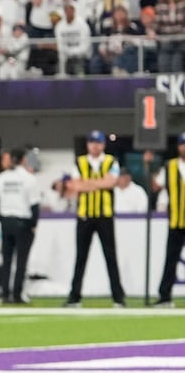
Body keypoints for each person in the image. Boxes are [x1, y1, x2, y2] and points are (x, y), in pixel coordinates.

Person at [63, 129, 126, 307]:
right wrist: (99, 183)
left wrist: (87, 183)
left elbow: (112, 182)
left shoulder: (110, 161)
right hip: (85, 214)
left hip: (105, 215)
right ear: (87, 144)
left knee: (110, 256)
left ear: (103, 145)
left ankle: (118, 297)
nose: (95, 146)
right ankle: (74, 296)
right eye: (92, 142)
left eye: (98, 142)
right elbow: (75, 186)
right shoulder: (80, 161)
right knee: (81, 257)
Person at [0, 148, 39, 305]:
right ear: (24, 160)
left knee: (6, 260)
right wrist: (33, 224)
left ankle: (5, 293)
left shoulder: (0, 178)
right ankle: (17, 294)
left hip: (6, 222)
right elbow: (34, 205)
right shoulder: (29, 179)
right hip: (22, 222)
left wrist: (2, 220)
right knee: (21, 261)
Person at [155, 134, 185, 307]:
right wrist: (148, 164)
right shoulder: (170, 166)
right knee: (171, 259)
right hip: (176, 220)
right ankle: (165, 296)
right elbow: (156, 185)